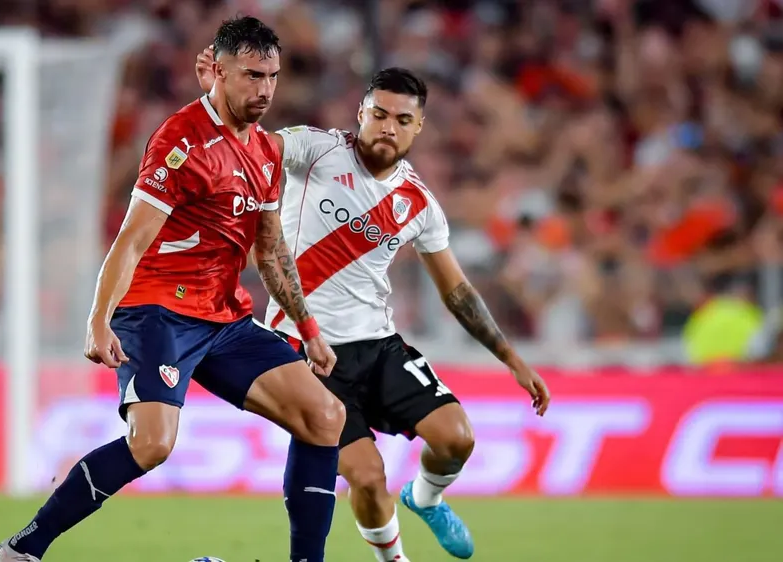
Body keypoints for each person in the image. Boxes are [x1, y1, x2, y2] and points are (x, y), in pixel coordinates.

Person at [0, 17, 346, 562]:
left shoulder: (268, 152)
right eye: (252, 75)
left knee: (325, 416)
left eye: (273, 76)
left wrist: (309, 330)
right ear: (219, 73)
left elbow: (269, 252)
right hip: (157, 310)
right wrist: (98, 318)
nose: (265, 89)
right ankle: (22, 551)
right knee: (152, 444)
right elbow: (131, 240)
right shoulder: (180, 140)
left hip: (223, 319)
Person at [196, 54, 552, 562]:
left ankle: (426, 497)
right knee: (366, 476)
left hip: (379, 348)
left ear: (418, 127)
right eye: (379, 114)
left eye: (403, 120)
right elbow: (250, 143)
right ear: (360, 112)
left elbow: (457, 291)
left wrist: (512, 358)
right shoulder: (314, 150)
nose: (389, 127)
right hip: (308, 350)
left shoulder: (419, 203)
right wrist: (218, 97)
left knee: (457, 439)